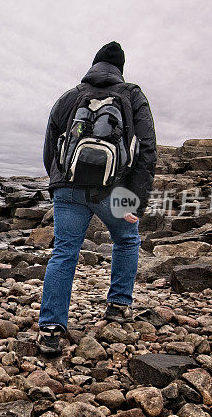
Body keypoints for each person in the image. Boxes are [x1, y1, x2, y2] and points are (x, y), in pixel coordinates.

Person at [37, 41, 157, 356]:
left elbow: (50, 147)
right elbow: (146, 151)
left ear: (94, 65)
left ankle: (50, 328)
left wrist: (59, 184)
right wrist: (137, 202)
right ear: (120, 69)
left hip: (68, 188)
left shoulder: (69, 97)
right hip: (113, 189)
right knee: (128, 240)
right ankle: (118, 306)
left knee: (64, 252)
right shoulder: (132, 95)